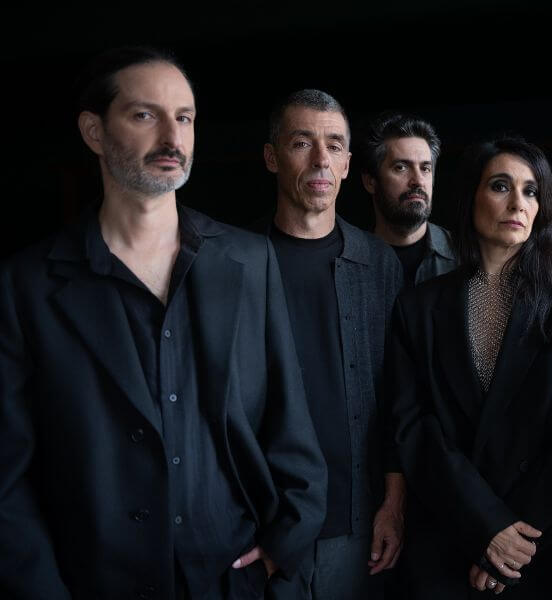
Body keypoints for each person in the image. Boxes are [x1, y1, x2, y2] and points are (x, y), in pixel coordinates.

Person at [0, 47, 326, 599]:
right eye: (144, 115)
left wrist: (286, 540)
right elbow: (8, 480)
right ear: (94, 131)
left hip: (237, 581)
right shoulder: (25, 286)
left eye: (185, 117)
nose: (173, 138)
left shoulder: (251, 261)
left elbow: (290, 419)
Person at [389, 137, 552, 599]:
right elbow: (414, 428)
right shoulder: (418, 307)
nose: (518, 202)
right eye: (500, 186)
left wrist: (513, 544)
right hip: (455, 538)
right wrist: (486, 527)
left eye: (531, 191)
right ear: (470, 197)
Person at [259, 89, 405, 599]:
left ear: (346, 164)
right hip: (265, 520)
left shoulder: (378, 263)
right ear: (272, 157)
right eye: (302, 142)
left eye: (335, 145)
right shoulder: (236, 261)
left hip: (358, 523)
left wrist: (394, 503)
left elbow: (399, 397)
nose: (321, 159)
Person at [361, 113, 457, 286]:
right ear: (370, 182)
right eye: (401, 167)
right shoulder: (349, 261)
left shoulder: (464, 257)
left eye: (425, 168)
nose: (418, 181)